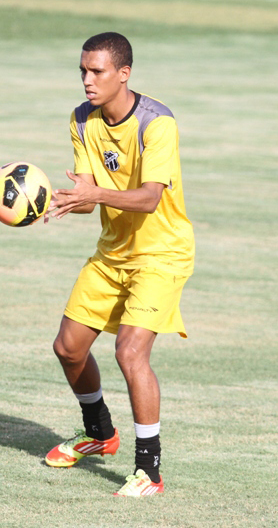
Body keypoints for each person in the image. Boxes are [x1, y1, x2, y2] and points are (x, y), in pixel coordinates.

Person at [44, 32, 195, 497]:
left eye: (98, 72)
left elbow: (150, 199)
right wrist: (64, 200)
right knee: (68, 349)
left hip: (162, 254)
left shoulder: (157, 123)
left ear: (123, 74)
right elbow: (90, 198)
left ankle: (148, 470)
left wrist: (95, 194)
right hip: (113, 254)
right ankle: (99, 433)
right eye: (83, 71)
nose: (87, 80)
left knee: (130, 352)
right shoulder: (82, 119)